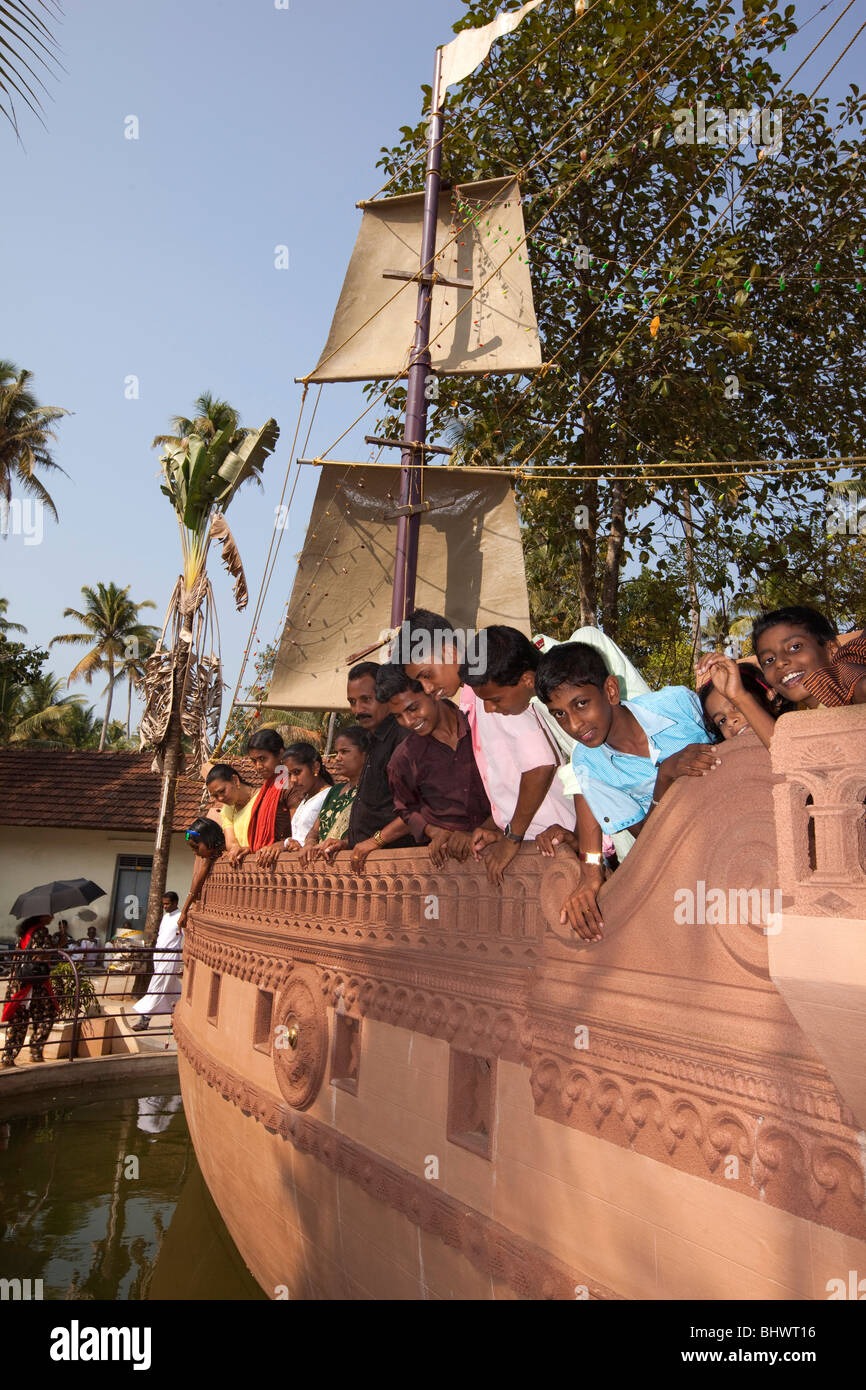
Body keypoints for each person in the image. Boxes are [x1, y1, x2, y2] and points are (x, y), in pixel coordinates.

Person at [534, 642, 719, 943]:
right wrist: (666, 776)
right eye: (559, 715)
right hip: (690, 865)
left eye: (581, 704)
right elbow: (649, 839)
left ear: (610, 691)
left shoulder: (678, 704)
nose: (574, 725)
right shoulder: (589, 765)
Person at [375, 664, 491, 867]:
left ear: (432, 692)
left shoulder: (484, 723)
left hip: (506, 847)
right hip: (451, 864)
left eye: (413, 708)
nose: (408, 721)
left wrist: (483, 830)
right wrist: (434, 831)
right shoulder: (403, 760)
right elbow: (406, 810)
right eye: (398, 716)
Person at [344, 661, 414, 874]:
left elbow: (417, 809)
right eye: (352, 702)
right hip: (369, 862)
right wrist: (348, 842)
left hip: (399, 867)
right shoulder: (373, 740)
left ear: (385, 694)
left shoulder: (403, 738)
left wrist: (375, 841)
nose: (358, 710)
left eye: (366, 700)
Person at [748, 605, 866, 709]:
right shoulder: (798, 721)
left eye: (795, 647)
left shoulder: (852, 686)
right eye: (769, 660)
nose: (779, 663)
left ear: (832, 649)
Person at [300, 726, 369, 866]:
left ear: (365, 754)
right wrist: (309, 844)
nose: (337, 758)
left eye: (344, 752)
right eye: (336, 752)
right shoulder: (334, 791)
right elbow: (314, 831)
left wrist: (343, 843)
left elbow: (370, 833)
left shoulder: (372, 790)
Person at [2, 916, 58, 1066]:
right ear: (42, 915)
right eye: (50, 914)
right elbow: (42, 954)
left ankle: (8, 1057)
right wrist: (56, 947)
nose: (52, 917)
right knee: (48, 1014)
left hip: (19, 982)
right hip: (35, 982)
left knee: (18, 1021)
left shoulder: (24, 932)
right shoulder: (41, 931)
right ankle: (35, 1050)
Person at [696, 657, 788, 748]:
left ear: (771, 696)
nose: (730, 721)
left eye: (737, 706)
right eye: (722, 721)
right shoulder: (725, 757)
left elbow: (783, 749)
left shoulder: (796, 731)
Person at [130, 892, 183, 1031]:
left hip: (170, 957)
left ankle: (144, 1019)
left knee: (156, 987)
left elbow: (186, 938)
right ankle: (183, 1013)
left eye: (168, 904)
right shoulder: (165, 917)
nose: (165, 906)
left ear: (175, 903)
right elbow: (161, 936)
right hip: (158, 956)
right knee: (173, 988)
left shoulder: (181, 917)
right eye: (163, 904)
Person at [244, 730, 295, 869]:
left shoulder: (288, 782)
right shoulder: (272, 784)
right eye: (254, 761)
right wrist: (248, 849)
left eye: (262, 759)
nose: (258, 766)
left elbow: (299, 832)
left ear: (280, 754)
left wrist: (281, 845)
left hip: (286, 865)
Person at [278, 742, 335, 852]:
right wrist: (290, 842)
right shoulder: (305, 799)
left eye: (297, 772)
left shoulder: (329, 795)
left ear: (315, 767)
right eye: (289, 775)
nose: (293, 780)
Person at [178, 819, 226, 930]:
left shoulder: (230, 849)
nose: (195, 853)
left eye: (196, 847)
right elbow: (198, 880)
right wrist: (184, 911)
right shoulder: (211, 856)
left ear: (209, 839)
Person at [205, 762, 257, 864]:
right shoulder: (227, 810)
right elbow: (231, 845)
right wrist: (239, 849)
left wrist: (249, 849)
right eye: (215, 796)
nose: (220, 798)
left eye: (222, 791)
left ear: (235, 780)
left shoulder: (262, 799)